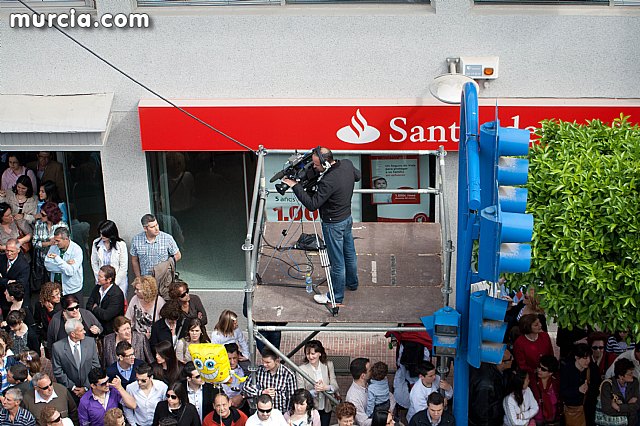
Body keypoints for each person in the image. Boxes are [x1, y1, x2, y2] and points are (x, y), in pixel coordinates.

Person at [281, 147, 361, 307]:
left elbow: (312, 204)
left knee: (337, 262)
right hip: (347, 218)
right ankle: (352, 283)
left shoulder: (327, 181)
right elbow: (357, 176)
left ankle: (335, 297)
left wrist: (295, 186)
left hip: (333, 224)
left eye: (316, 166)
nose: (314, 168)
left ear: (325, 163)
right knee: (349, 253)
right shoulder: (346, 164)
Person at [51, 318, 101, 402]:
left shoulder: (90, 342)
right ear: (73, 334)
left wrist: (86, 387)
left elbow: (95, 365)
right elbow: (58, 370)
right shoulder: (57, 347)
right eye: (81, 330)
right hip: (69, 392)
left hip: (90, 390)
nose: (84, 332)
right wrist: (73, 387)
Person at [296, 340, 339, 426]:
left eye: (313, 353)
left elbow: (335, 385)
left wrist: (325, 387)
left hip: (326, 406)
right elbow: (300, 392)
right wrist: (314, 391)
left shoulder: (328, 365)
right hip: (310, 408)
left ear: (320, 353)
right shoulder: (301, 369)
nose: (310, 357)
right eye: (308, 354)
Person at [243, 348, 296, 413]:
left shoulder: (288, 375)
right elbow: (245, 388)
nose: (264, 364)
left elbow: (292, 397)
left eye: (268, 362)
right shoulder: (259, 370)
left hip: (280, 413)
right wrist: (261, 392)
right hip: (261, 412)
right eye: (263, 361)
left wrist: (287, 414)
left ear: (277, 361)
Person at [130, 213, 181, 278]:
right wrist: (139, 278)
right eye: (152, 227)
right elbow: (134, 260)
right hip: (146, 279)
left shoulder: (167, 238)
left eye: (156, 225)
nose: (156, 228)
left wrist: (165, 266)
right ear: (145, 228)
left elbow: (178, 255)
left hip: (163, 278)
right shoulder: (136, 240)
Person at [31, 202, 67, 293]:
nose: (40, 216)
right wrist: (48, 243)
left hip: (57, 263)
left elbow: (67, 245)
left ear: (50, 215)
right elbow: (34, 243)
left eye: (43, 214)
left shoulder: (62, 226)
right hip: (42, 263)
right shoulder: (39, 224)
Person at [91, 220, 129, 296]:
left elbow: (123, 267)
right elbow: (94, 262)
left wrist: (114, 283)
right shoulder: (96, 243)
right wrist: (99, 278)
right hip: (102, 281)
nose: (102, 236)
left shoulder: (121, 245)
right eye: (101, 234)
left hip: (118, 282)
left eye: (104, 234)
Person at [44, 227, 83, 299]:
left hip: (72, 289)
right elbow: (47, 265)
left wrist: (57, 259)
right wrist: (65, 264)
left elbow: (70, 272)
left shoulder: (76, 250)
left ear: (66, 239)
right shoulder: (53, 248)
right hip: (56, 289)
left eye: (58, 241)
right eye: (55, 240)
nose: (55, 243)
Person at [85, 265, 125, 336]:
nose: (98, 278)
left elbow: (106, 315)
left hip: (109, 331)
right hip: (94, 325)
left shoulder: (117, 294)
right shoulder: (97, 288)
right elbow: (88, 306)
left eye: (100, 277)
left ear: (109, 279)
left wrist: (95, 308)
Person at [599, 357, 639, 425]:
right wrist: (629, 408)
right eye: (630, 374)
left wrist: (619, 407)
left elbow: (637, 405)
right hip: (614, 422)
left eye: (632, 372)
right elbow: (607, 409)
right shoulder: (607, 385)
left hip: (632, 422)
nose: (632, 375)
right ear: (621, 376)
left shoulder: (634, 382)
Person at [560, 343, 592, 426]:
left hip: (588, 409)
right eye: (585, 358)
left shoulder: (592, 369)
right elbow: (563, 392)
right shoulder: (567, 370)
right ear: (576, 357)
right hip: (573, 410)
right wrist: (578, 390)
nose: (588, 361)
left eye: (589, 357)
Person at [0, 239, 30, 317]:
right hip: (3, 297)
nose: (9, 253)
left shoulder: (24, 265)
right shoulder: (1, 258)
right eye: (7, 250)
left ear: (18, 250)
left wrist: (2, 280)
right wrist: (7, 282)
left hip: (16, 300)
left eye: (12, 251)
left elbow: (19, 285)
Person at [529, 355, 561, 426]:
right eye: (539, 367)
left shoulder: (556, 382)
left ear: (550, 373)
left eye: (543, 369)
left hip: (554, 419)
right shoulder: (531, 381)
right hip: (537, 419)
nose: (539, 370)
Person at [222, 343, 247, 411]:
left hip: (242, 404)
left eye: (234, 358)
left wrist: (242, 396)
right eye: (229, 359)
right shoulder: (219, 371)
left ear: (238, 356)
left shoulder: (245, 368)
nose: (232, 362)